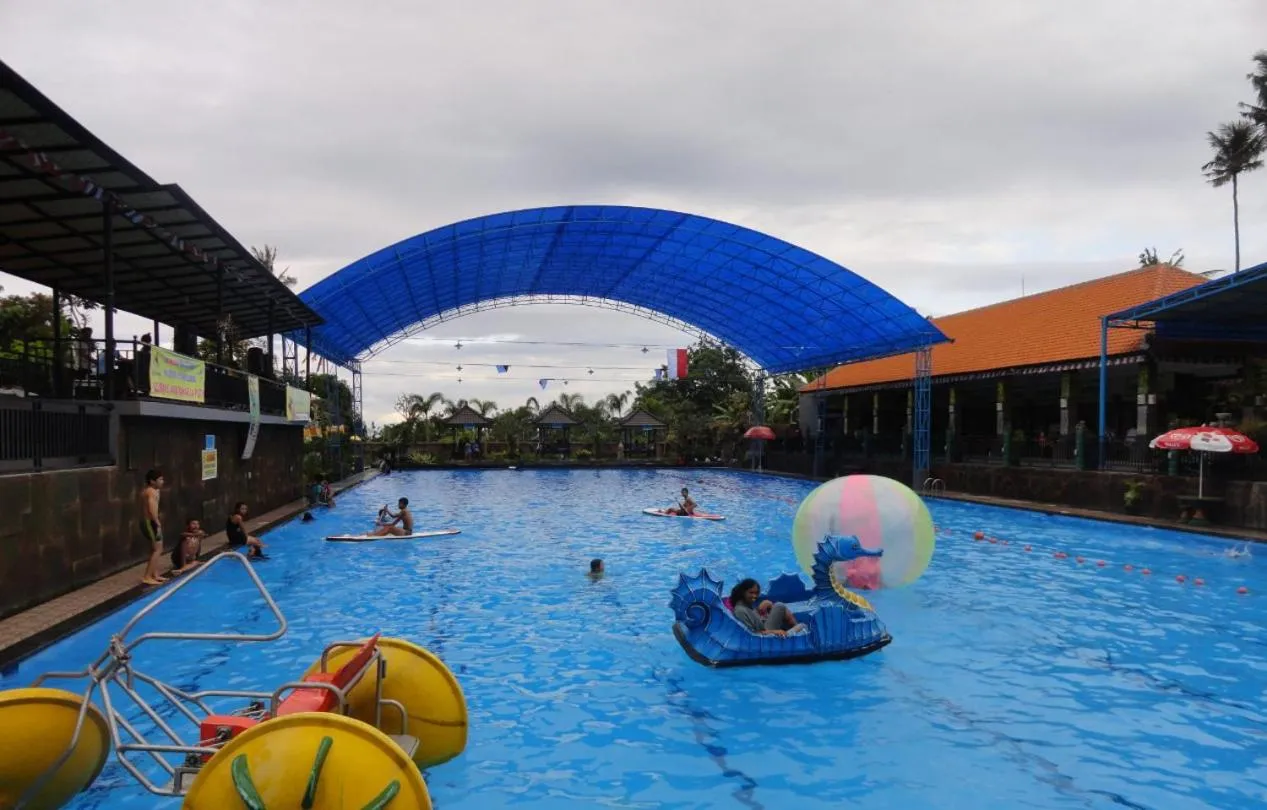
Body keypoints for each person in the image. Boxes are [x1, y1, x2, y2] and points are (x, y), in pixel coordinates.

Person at [728, 578, 805, 637]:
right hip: (764, 638)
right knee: (802, 626)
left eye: (756, 593)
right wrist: (776, 632)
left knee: (778, 606)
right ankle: (793, 635)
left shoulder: (745, 606)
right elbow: (751, 634)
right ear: (743, 593)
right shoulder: (739, 610)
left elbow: (754, 621)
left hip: (764, 629)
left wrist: (760, 612)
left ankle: (794, 629)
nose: (754, 596)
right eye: (751, 593)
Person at [140, 469, 168, 585]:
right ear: (152, 481)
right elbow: (152, 509)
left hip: (150, 522)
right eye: (160, 479)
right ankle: (147, 577)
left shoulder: (154, 490)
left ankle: (154, 574)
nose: (163, 481)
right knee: (158, 549)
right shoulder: (151, 491)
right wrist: (157, 523)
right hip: (150, 523)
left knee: (154, 549)